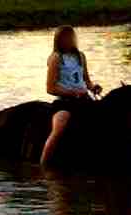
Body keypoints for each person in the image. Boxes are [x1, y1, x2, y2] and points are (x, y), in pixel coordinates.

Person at [40, 25, 103, 165]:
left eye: (71, 37)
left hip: (84, 99)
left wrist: (94, 88)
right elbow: (50, 88)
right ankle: (44, 163)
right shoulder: (56, 58)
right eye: (65, 37)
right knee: (59, 127)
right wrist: (72, 92)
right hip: (65, 102)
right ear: (59, 40)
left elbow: (86, 80)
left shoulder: (80, 56)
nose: (69, 40)